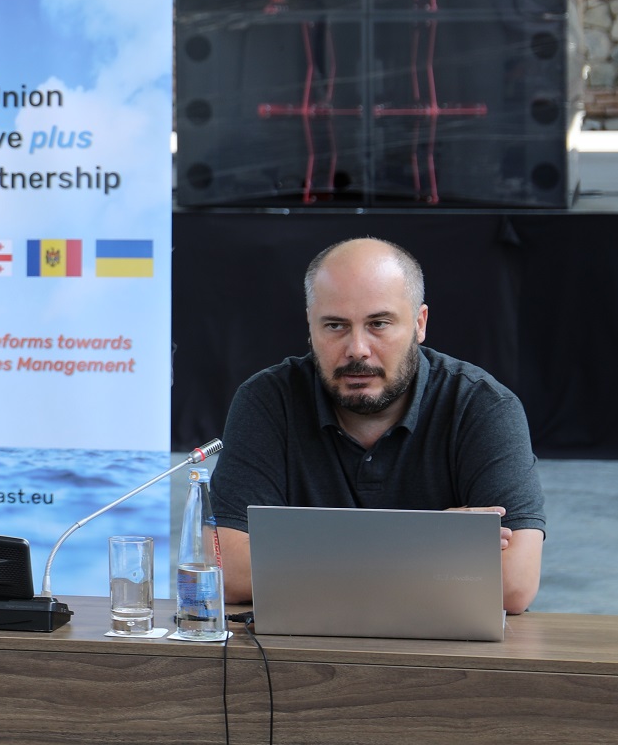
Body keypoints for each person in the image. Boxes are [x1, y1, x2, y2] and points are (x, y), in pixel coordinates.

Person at [211, 237, 545, 614]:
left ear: (419, 323)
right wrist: (427, 541)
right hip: (302, 645)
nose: (357, 348)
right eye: (335, 325)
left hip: (444, 645)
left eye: (379, 324)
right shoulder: (268, 401)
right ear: (310, 326)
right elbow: (227, 570)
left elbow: (512, 583)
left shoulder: (481, 406)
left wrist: (303, 562)